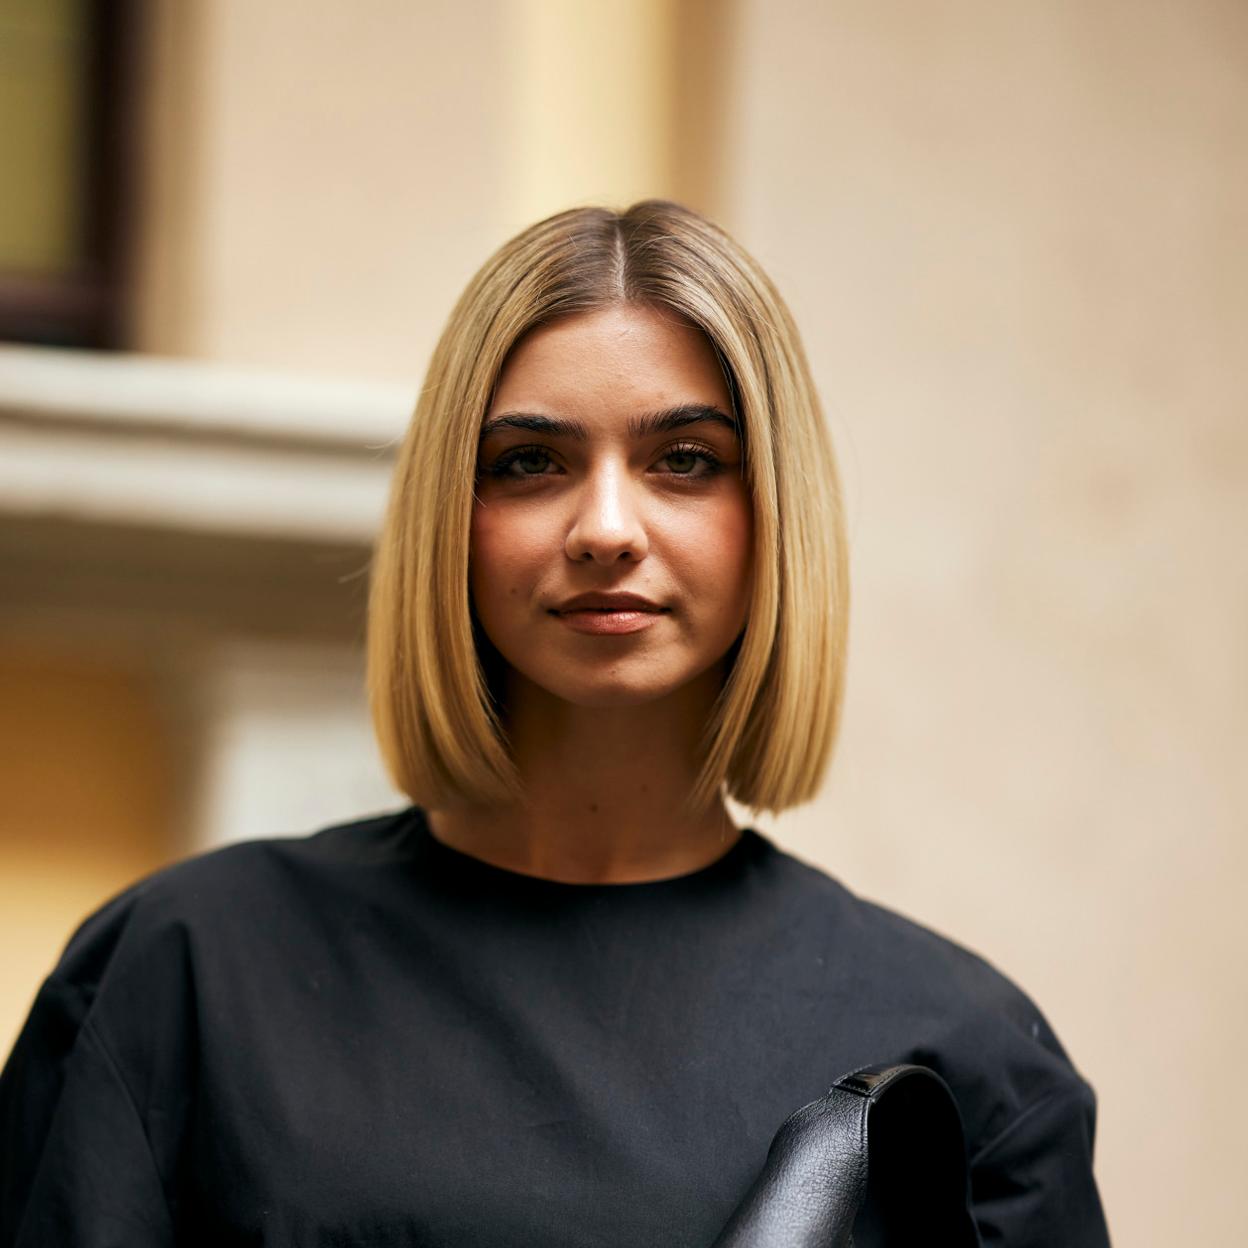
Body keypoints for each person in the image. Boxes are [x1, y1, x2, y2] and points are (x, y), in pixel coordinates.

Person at [0, 201, 1110, 1246]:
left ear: (773, 515)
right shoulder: (179, 973)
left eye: (686, 460)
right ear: (452, 517)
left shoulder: (966, 1057)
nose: (607, 527)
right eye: (531, 463)